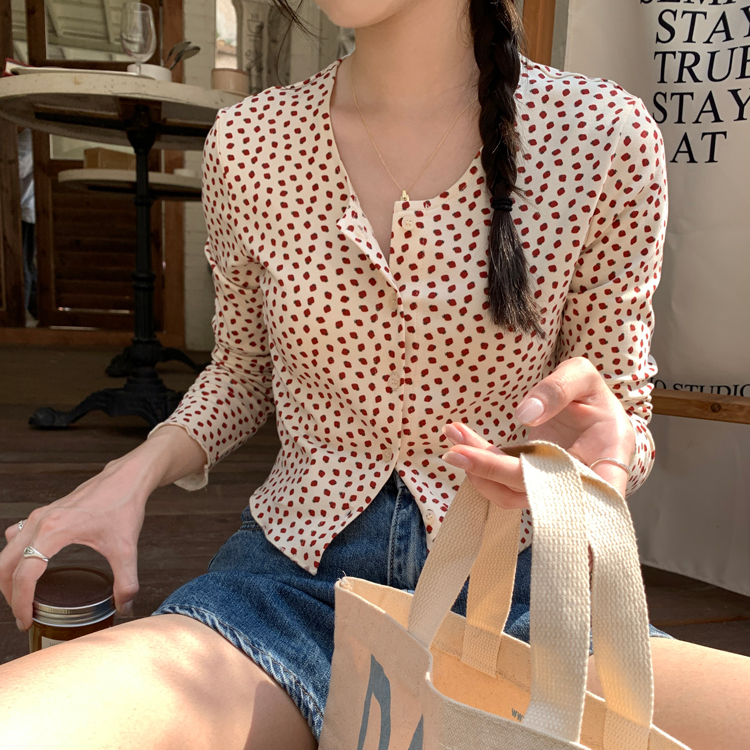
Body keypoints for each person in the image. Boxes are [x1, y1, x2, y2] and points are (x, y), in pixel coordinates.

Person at [1, 1, 748, 748]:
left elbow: (621, 408)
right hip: (289, 588)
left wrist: (600, 470)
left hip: (521, 592)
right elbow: (242, 373)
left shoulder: (600, 135)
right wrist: (130, 475)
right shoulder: (251, 141)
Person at [17, 127, 38, 324]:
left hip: (24, 211)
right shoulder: (29, 135)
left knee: (22, 265)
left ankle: (19, 317)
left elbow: (18, 168)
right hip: (25, 210)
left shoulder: (30, 136)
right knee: (27, 264)